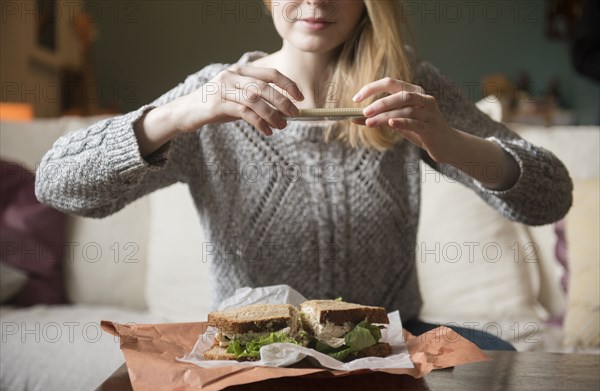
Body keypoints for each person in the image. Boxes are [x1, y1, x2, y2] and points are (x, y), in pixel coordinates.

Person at [35, 0, 572, 351]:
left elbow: (550, 197)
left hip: (383, 347)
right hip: (255, 351)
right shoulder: (216, 94)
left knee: (503, 359)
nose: (315, 2)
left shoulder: (407, 85)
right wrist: (177, 115)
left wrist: (449, 140)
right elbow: (57, 183)